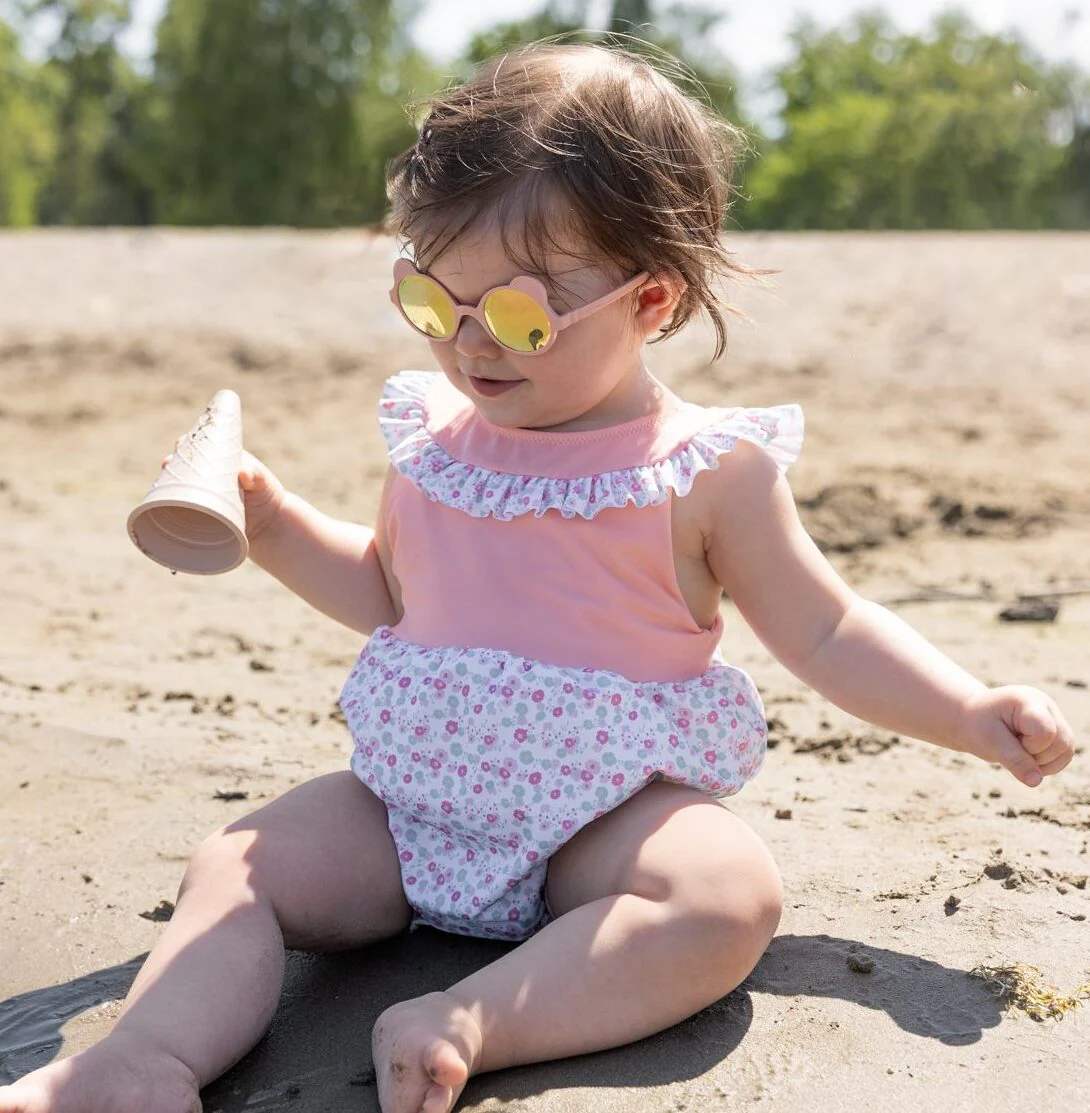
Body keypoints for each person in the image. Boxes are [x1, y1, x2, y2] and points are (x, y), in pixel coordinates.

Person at [1, 40, 1075, 1113]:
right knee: (242, 861)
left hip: (600, 823)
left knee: (725, 896)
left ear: (649, 302)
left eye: (520, 317)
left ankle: (469, 1019)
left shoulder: (706, 472)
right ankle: (144, 1059)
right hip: (404, 807)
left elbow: (828, 630)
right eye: (434, 302)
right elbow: (389, 594)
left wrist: (966, 709)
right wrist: (274, 524)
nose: (472, 345)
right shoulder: (433, 440)